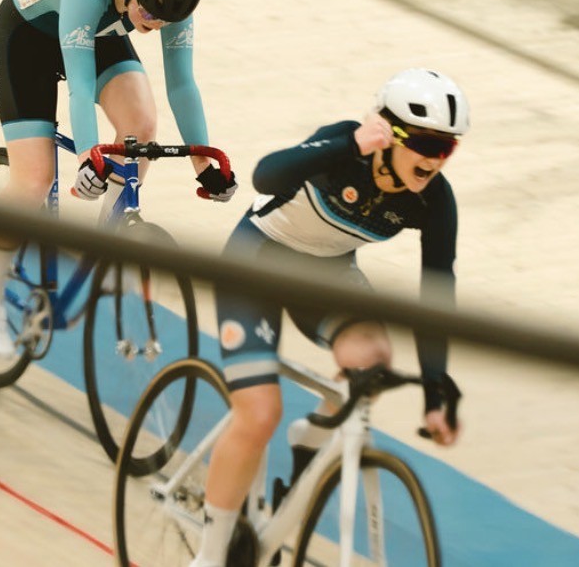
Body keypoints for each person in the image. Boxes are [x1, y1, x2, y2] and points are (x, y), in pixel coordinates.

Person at [188, 68, 465, 567]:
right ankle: (209, 557)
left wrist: (434, 390)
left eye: (446, 148)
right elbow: (266, 175)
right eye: (424, 142)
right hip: (258, 261)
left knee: (374, 359)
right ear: (389, 132)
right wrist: (350, 145)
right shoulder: (343, 144)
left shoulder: (435, 201)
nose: (432, 158)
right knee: (259, 413)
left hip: (328, 276)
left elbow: (436, 297)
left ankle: (310, 437)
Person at [0, 0, 237, 357]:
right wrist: (87, 157)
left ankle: (105, 242)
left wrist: (204, 162)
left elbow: (182, 85)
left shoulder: (168, 2)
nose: (155, 27)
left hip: (97, 30)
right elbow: (79, 87)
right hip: (26, 43)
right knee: (34, 180)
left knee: (141, 125)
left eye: (167, 20)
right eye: (149, 14)